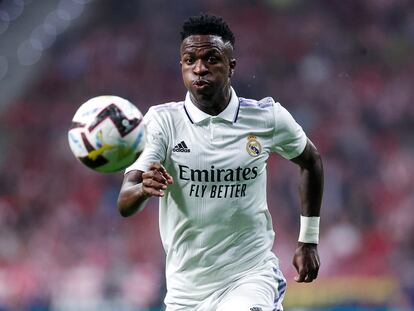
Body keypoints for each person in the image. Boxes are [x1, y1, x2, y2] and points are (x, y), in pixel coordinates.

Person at [118, 14, 323, 311]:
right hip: (186, 292)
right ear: (181, 68)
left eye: (211, 59)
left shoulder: (267, 117)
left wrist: (309, 240)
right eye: (190, 60)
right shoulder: (163, 122)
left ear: (231, 67)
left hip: (250, 275)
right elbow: (125, 202)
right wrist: (142, 189)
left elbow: (311, 161)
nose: (199, 68)